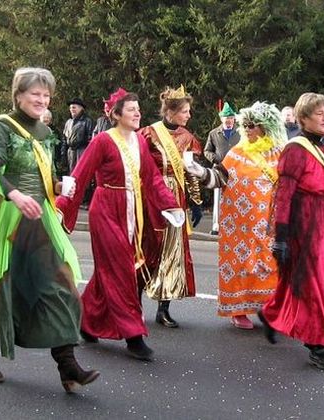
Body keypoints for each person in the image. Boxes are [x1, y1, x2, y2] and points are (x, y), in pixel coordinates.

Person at [0, 67, 98, 392]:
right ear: (19, 95)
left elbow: (45, 176)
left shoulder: (43, 131)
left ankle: (68, 366)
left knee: (60, 287)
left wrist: (58, 186)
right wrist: (14, 194)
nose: (41, 99)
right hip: (10, 218)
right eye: (35, 94)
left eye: (46, 95)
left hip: (41, 218)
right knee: (1, 288)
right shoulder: (3, 126)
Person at [56, 88, 183, 360]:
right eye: (130, 109)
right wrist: (62, 207)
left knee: (108, 273)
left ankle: (85, 321)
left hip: (131, 211)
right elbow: (80, 175)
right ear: (115, 115)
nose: (137, 113)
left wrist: (170, 205)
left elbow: (152, 179)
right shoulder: (103, 141)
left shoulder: (139, 141)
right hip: (105, 211)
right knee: (122, 271)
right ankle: (133, 335)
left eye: (138, 108)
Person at [258, 92, 324, 371]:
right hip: (303, 230)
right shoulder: (295, 150)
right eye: (319, 113)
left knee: (302, 282)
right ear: (303, 119)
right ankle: (317, 345)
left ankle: (270, 314)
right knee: (315, 286)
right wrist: (280, 238)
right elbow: (284, 196)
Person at [186, 101, 286, 329]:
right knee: (240, 265)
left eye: (253, 125)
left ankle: (269, 310)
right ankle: (238, 311)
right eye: (246, 125)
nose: (248, 129)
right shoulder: (237, 152)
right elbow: (219, 178)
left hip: (269, 224)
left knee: (270, 266)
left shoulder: (279, 153)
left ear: (266, 127)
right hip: (238, 227)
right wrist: (200, 172)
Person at [138, 85, 203, 328]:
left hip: (177, 196)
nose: (188, 115)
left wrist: (196, 202)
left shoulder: (187, 137)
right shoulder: (148, 133)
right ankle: (135, 303)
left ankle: (163, 308)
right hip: (152, 195)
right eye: (185, 111)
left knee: (172, 251)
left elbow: (191, 173)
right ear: (171, 112)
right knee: (148, 247)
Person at [204, 102, 241, 234]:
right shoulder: (214, 133)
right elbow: (207, 151)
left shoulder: (240, 133)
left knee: (236, 198)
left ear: (234, 119)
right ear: (221, 119)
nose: (229, 121)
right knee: (218, 198)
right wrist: (216, 159)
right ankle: (216, 226)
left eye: (231, 118)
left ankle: (235, 225)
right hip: (219, 169)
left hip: (237, 170)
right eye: (226, 118)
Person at [62, 98, 94, 173]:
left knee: (81, 173)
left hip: (82, 152)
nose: (71, 109)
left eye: (74, 107)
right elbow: (64, 138)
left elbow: (91, 139)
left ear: (81, 108)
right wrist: (63, 154)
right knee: (71, 175)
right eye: (70, 108)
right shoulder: (68, 122)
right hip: (70, 153)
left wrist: (87, 155)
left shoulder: (87, 121)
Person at [40, 109, 66, 178]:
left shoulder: (55, 130)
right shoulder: (36, 129)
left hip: (52, 157)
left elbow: (59, 144)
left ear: (50, 119)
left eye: (47, 117)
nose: (46, 119)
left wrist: (59, 157)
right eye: (44, 117)